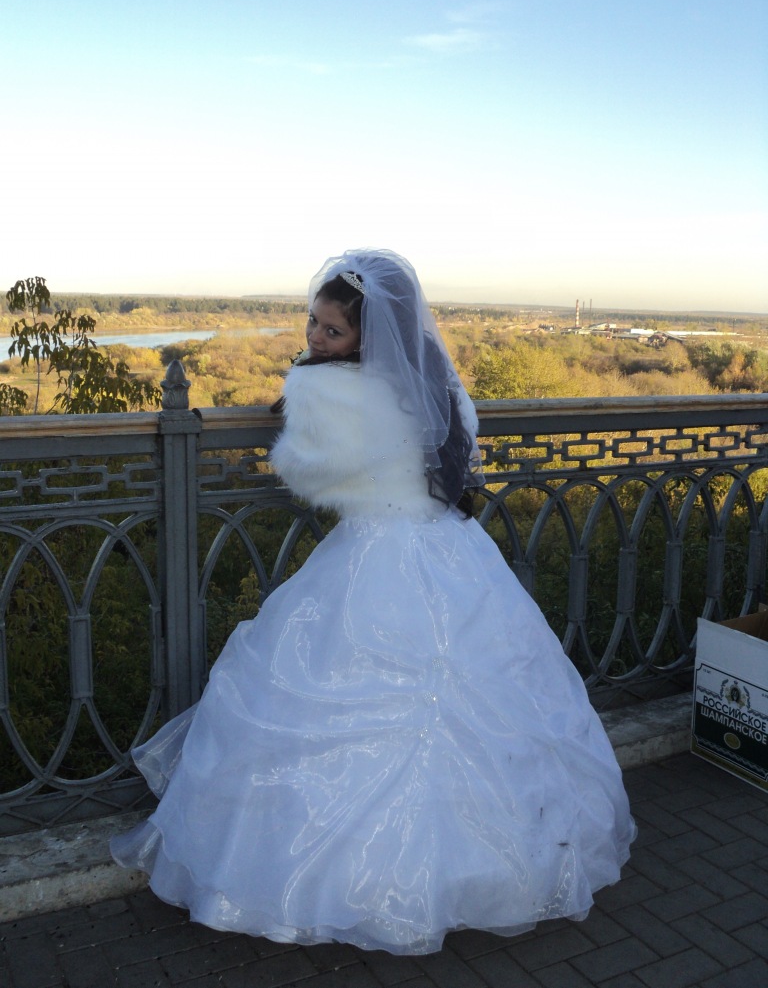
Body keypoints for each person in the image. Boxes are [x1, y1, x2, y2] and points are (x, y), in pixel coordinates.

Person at [111, 248, 635, 955]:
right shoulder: (436, 386)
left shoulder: (325, 389)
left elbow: (309, 476)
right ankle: (486, 864)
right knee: (489, 690)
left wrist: (301, 393)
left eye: (331, 329)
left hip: (372, 554)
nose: (315, 338)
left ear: (367, 334)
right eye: (313, 324)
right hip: (449, 548)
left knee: (316, 682)